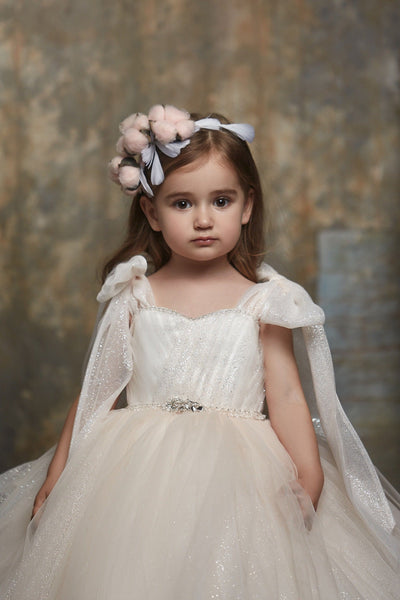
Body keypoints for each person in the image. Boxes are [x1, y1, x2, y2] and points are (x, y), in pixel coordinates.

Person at [0, 104, 399, 600]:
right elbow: (96, 391)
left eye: (222, 201)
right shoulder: (136, 292)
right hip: (133, 474)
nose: (204, 219)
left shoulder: (266, 299)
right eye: (183, 204)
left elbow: (289, 396)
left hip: (241, 477)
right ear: (152, 211)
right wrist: (57, 478)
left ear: (247, 206)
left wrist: (309, 473)